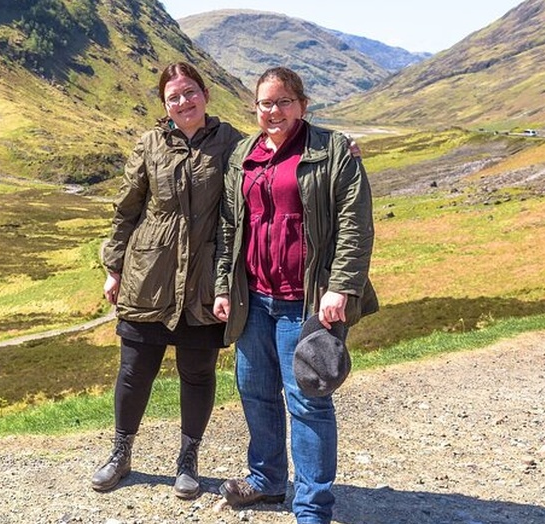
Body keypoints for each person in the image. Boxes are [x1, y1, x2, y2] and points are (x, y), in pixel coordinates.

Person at [213, 66, 378, 523]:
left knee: (308, 400)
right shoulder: (244, 154)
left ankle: (312, 507)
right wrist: (224, 285)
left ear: (302, 105)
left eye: (284, 101)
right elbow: (230, 226)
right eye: (266, 103)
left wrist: (341, 286)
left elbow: (355, 225)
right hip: (254, 299)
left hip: (305, 302)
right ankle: (266, 480)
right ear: (255, 107)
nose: (275, 110)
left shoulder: (333, 150)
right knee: (256, 391)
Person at [92, 62, 243, 499]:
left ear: (205, 94)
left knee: (196, 373)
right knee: (134, 371)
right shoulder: (150, 143)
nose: (183, 102)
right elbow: (126, 210)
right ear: (165, 104)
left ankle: (188, 460)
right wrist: (114, 266)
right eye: (174, 97)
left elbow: (279, 150)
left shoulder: (232, 142)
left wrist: (335, 146)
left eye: (190, 92)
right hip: (149, 274)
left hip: (204, 278)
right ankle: (120, 453)